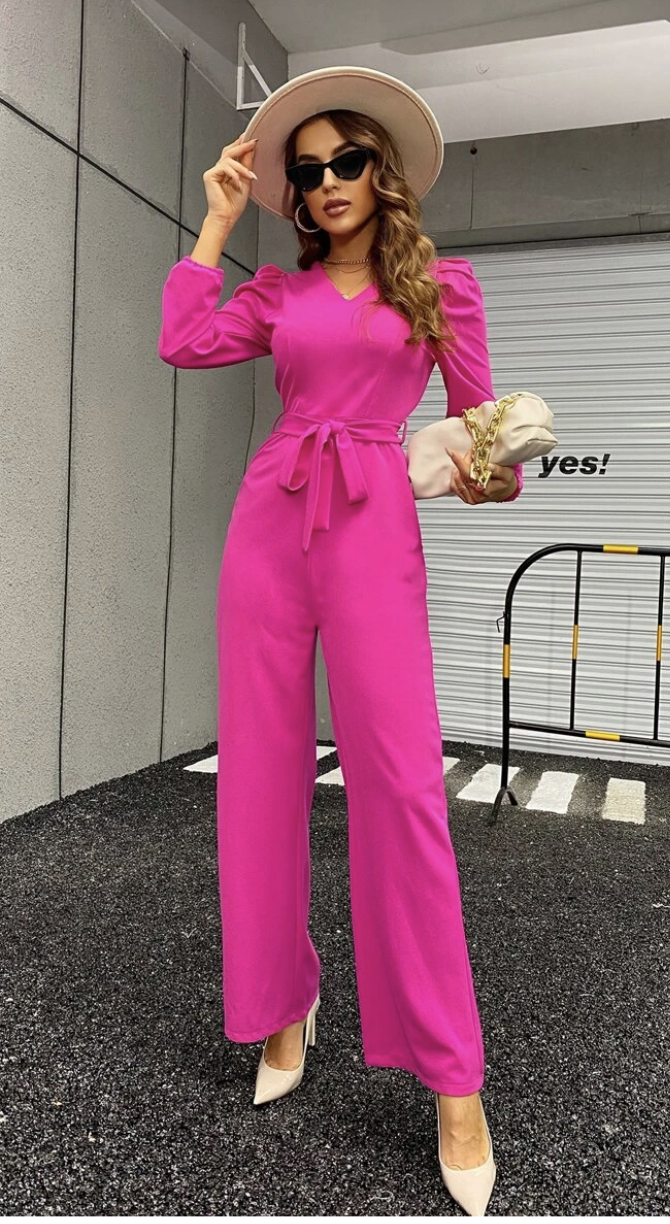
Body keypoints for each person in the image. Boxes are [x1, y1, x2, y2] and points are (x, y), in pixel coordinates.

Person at [158, 66, 523, 1216]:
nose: (324, 184)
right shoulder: (272, 292)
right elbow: (182, 341)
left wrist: (486, 477)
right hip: (269, 525)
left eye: (344, 161)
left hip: (373, 525)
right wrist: (216, 219)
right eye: (304, 171)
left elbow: (485, 445)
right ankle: (279, 1005)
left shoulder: (441, 292)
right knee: (256, 779)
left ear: (385, 170)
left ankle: (451, 1081)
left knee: (401, 788)